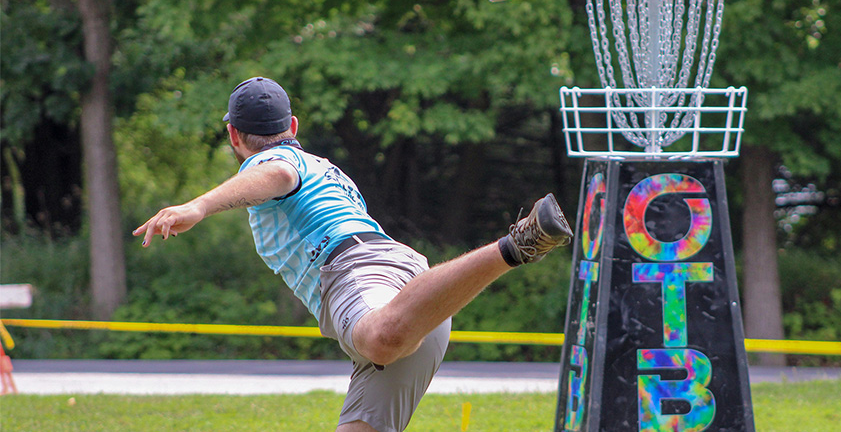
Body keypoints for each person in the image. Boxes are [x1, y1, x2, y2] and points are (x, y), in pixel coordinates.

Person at [133, 77, 573, 432]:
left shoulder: (273, 162)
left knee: (380, 338)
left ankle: (516, 246)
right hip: (407, 287)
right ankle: (510, 249)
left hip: (360, 276)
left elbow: (277, 173)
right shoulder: (326, 167)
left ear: (233, 134)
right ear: (294, 124)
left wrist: (199, 205)